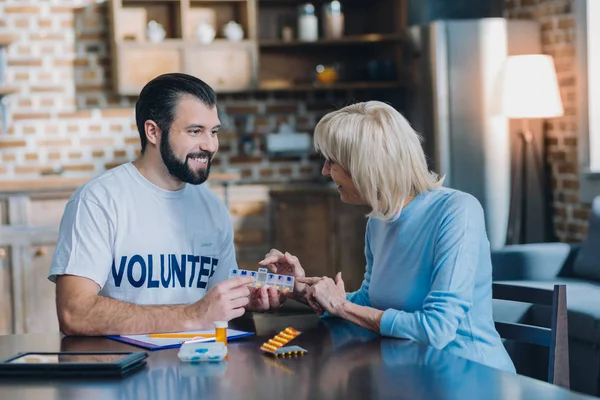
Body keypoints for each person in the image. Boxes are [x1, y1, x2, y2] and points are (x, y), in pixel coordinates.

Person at [260, 101, 516, 373]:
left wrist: (342, 306)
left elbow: (436, 330)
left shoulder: (457, 211)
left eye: (331, 161)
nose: (324, 171)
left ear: (365, 165)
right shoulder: (380, 221)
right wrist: (300, 288)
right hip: (411, 372)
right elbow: (371, 304)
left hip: (470, 376)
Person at [49, 73, 283, 336]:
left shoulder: (212, 207)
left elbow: (216, 308)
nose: (209, 145)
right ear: (153, 131)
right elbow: (75, 313)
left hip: (201, 367)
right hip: (124, 368)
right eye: (195, 131)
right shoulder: (97, 201)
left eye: (214, 132)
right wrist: (193, 315)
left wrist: (247, 302)